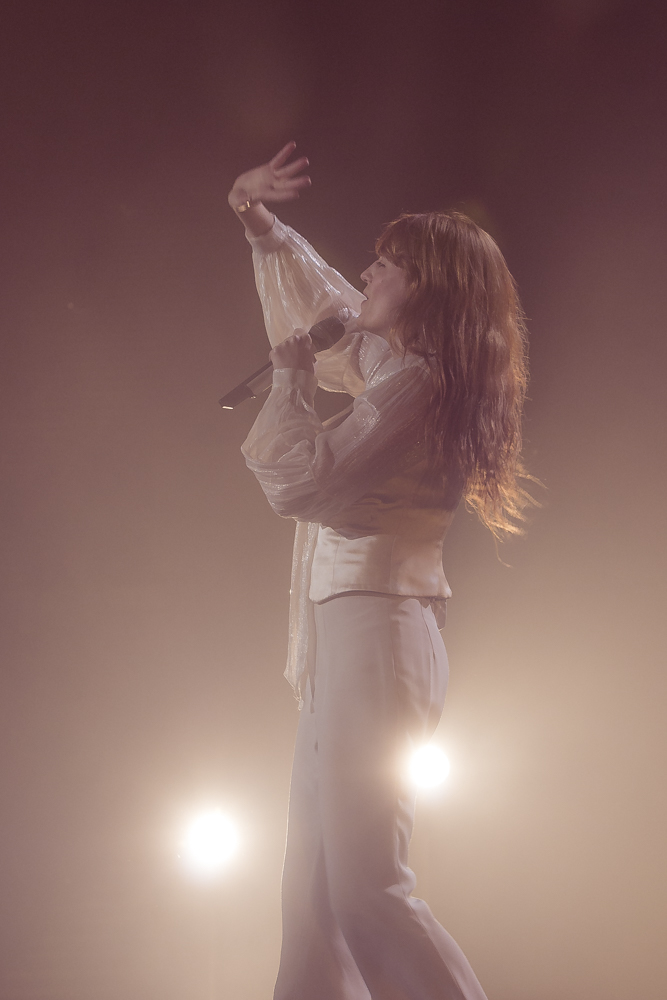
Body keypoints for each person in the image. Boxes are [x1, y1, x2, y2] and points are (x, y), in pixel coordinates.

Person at [228, 142, 531, 1000]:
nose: (367, 274)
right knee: (311, 900)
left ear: (424, 289)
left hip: (379, 634)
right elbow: (329, 298)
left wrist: (290, 385)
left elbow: (306, 483)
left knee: (366, 893)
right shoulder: (397, 367)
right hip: (345, 631)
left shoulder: (422, 386)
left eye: (387, 266)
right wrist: (257, 220)